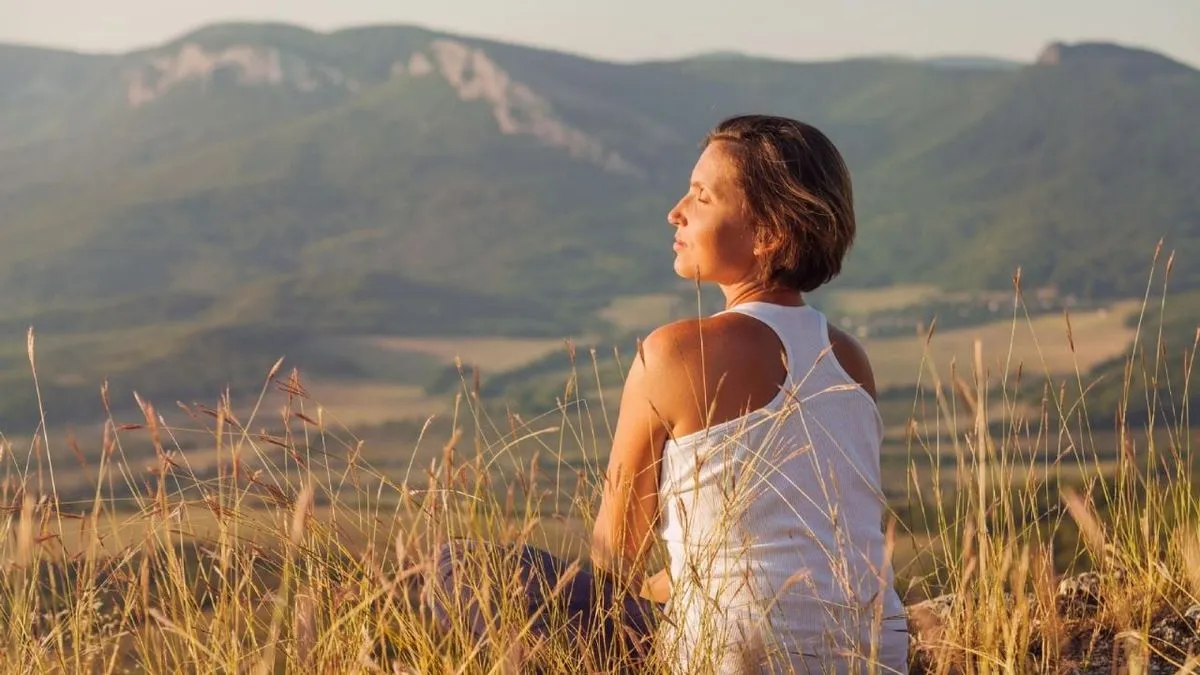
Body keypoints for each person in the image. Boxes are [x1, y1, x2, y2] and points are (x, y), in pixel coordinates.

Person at [429, 114, 909, 674]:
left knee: (458, 566)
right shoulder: (851, 358)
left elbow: (615, 560)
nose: (675, 211)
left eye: (701, 197)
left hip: (729, 659)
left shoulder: (676, 353)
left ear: (769, 233)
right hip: (876, 656)